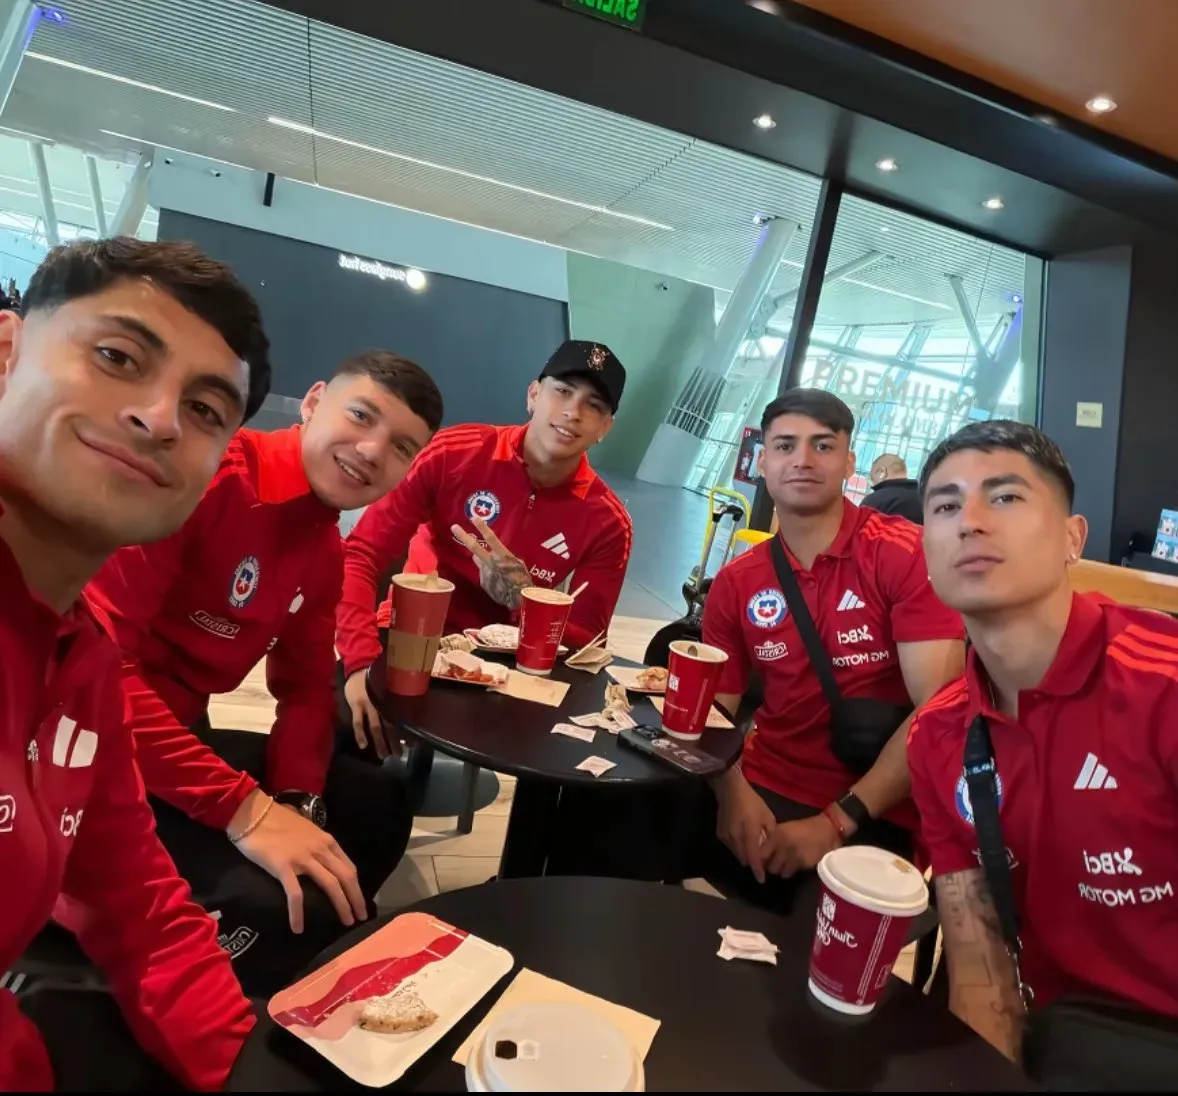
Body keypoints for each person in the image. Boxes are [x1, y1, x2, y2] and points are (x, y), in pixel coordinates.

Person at [0, 237, 271, 1089]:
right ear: (6, 352)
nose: (159, 418)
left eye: (204, 411)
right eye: (118, 357)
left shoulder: (81, 659)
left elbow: (140, 906)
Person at [88, 350, 443, 997]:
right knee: (275, 899)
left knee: (377, 800)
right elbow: (94, 679)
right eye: (360, 416)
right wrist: (244, 809)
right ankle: (211, 1004)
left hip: (171, 746)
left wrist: (296, 803)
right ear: (312, 403)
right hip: (84, 759)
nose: (370, 451)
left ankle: (308, 973)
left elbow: (306, 690)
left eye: (400, 448)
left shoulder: (321, 546)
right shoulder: (208, 481)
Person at [909, 420, 1178, 1061]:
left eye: (1004, 496)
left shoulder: (1162, 688)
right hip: (1071, 1047)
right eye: (946, 506)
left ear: (1071, 539)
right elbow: (981, 964)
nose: (969, 521)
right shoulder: (939, 735)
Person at [698, 389, 965, 911]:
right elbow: (716, 711)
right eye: (785, 446)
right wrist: (728, 789)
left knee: (814, 956)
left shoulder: (904, 555)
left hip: (877, 805)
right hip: (761, 782)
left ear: (849, 461)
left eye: (822, 445)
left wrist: (834, 822)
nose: (801, 459)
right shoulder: (736, 582)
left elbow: (939, 716)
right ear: (764, 462)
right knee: (622, 823)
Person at [338, 339, 632, 754]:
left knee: (566, 757)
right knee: (351, 735)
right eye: (562, 391)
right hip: (412, 635)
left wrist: (524, 599)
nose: (573, 412)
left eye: (595, 405)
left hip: (513, 660)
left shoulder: (608, 520)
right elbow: (361, 553)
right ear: (534, 395)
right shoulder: (454, 452)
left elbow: (586, 645)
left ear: (605, 428)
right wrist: (359, 661)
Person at [861, 452, 923, 523]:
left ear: (882, 472)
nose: (872, 484)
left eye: (872, 478)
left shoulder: (874, 501)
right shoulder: (924, 500)